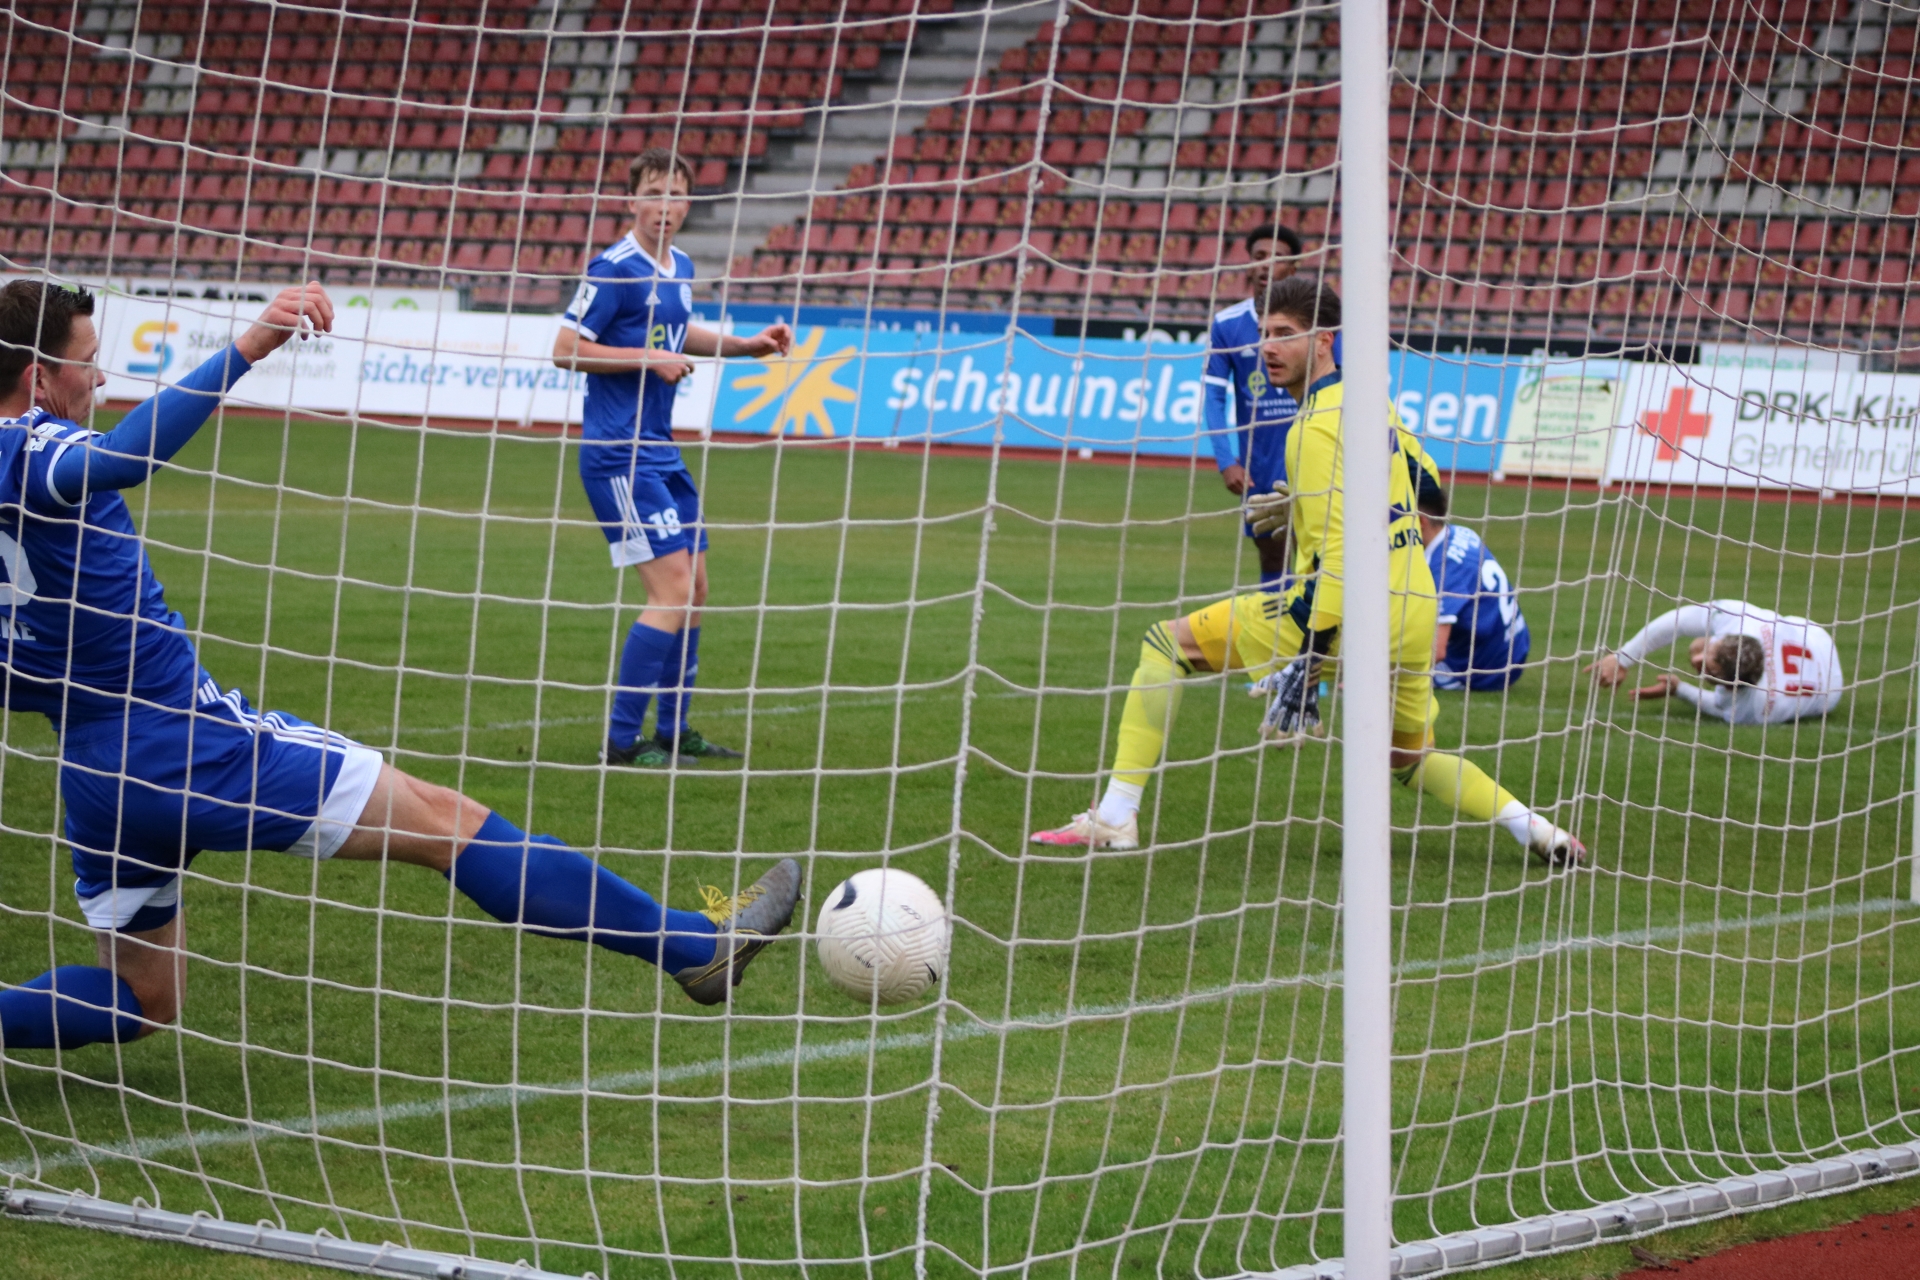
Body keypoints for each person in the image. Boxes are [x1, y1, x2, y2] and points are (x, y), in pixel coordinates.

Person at [0, 279, 799, 1051]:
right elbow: (115, 462)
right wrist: (250, 345)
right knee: (448, 823)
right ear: (38, 379)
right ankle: (694, 946)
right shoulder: (36, 453)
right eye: (88, 362)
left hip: (93, 767)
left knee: (143, 1000)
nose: (101, 377)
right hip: (188, 741)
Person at [1032, 277, 1584, 866]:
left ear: (1324, 341)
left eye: (1285, 335)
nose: (1268, 347)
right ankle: (1536, 829)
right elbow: (1430, 486)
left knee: (1165, 644)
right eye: (1265, 334)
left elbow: (1342, 553)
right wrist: (1325, 498)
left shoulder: (1312, 427)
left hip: (1341, 612)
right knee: (1411, 759)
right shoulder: (1373, 400)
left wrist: (1312, 656)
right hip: (1413, 604)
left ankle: (1115, 817)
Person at [552, 147, 792, 768]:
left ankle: (674, 732)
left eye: (676, 195)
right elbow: (564, 348)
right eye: (654, 194)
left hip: (661, 452)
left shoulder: (678, 265)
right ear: (632, 201)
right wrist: (646, 360)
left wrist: (746, 346)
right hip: (617, 455)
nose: (666, 207)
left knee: (698, 588)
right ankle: (620, 744)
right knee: (673, 591)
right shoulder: (614, 268)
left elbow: (675, 336)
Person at [1205, 221, 1307, 587]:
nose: (1266, 265)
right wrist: (1225, 460)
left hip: (1311, 451)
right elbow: (1213, 396)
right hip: (1259, 461)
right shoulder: (1227, 324)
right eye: (1259, 257)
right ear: (1249, 265)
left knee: (1315, 550)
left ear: (1293, 267)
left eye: (1277, 258)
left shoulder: (1314, 321)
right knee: (1271, 552)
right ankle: (1277, 633)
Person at [1587, 600, 1843, 724]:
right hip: (1819, 645)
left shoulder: (1754, 707)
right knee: (1699, 639)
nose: (1697, 659)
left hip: (1828, 693)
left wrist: (1680, 690)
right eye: (1710, 651)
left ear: (1732, 685)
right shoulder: (1743, 618)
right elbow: (1681, 619)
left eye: (1709, 670)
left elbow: (1719, 707)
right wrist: (1622, 658)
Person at [1418, 487, 1531, 691]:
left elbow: (1437, 651)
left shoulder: (1444, 568)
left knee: (1400, 672)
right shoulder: (1461, 532)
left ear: (1420, 522)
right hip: (1515, 647)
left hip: (1486, 667)